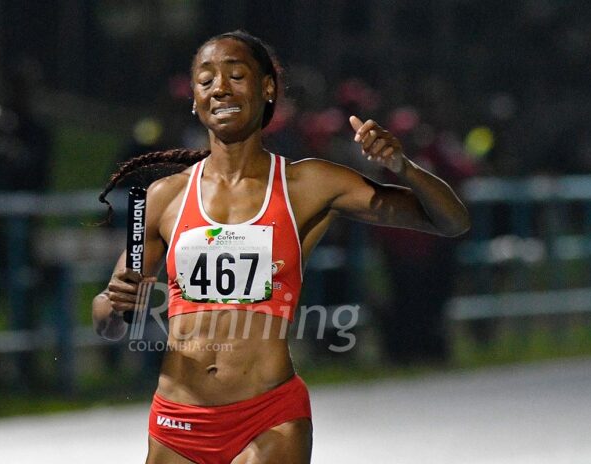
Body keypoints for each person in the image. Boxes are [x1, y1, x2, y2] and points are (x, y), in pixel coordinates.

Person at [93, 30, 470, 464]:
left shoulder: (308, 184)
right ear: (195, 99)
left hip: (268, 419)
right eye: (206, 80)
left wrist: (403, 167)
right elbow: (109, 321)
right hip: (178, 422)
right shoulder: (164, 196)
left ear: (267, 88)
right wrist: (114, 305)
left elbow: (452, 221)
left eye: (236, 76)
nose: (220, 89)